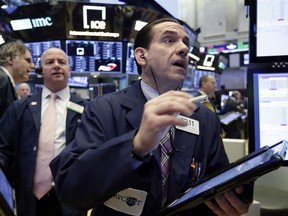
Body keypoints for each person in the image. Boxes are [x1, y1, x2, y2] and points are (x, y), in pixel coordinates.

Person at [50, 18, 252, 215]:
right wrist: (136, 146)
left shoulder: (205, 118)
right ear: (141, 56)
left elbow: (215, 184)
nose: (183, 48)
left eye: (185, 43)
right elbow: (71, 188)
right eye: (169, 40)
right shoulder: (103, 109)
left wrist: (238, 196)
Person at [0, 47, 87, 216]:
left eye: (62, 62)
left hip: (70, 199)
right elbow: (4, 149)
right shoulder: (20, 107)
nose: (56, 65)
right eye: (49, 62)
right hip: (28, 199)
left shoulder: (87, 109)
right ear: (41, 71)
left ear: (69, 70)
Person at [0, 40, 34, 118]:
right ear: (10, 59)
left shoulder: (6, 80)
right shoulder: (2, 78)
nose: (32, 66)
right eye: (28, 60)